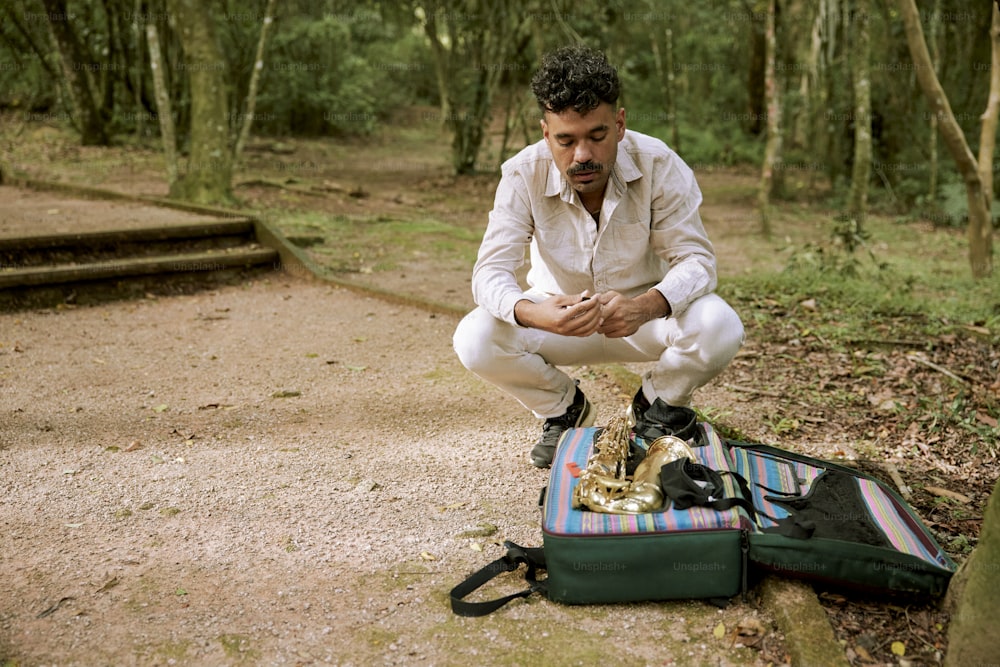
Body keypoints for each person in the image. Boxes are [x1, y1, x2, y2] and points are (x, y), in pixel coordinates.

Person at [453, 44, 744, 468]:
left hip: (645, 319)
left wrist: (646, 305)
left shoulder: (660, 163)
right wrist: (534, 314)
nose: (582, 155)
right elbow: (489, 273)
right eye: (565, 141)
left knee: (720, 324)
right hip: (558, 320)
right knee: (474, 338)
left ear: (620, 124)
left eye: (597, 135)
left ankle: (655, 409)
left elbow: (697, 262)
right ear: (545, 133)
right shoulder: (522, 173)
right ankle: (564, 410)